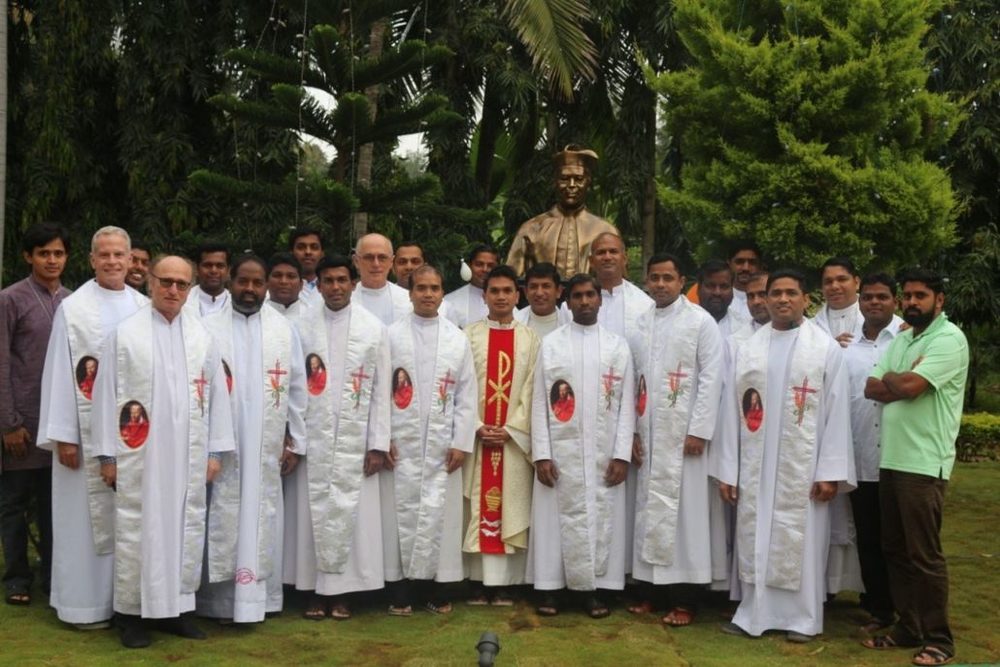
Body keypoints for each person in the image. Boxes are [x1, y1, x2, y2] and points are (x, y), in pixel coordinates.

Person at [89, 255, 236, 648]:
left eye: (181, 284)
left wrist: (215, 452)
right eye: (166, 281)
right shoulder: (125, 334)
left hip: (188, 456)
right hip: (141, 456)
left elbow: (218, 396)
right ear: (151, 281)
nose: (173, 290)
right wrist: (107, 456)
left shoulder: (203, 337)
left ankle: (177, 610)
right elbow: (104, 397)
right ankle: (131, 615)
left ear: (189, 289)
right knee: (139, 529)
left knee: (183, 530)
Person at [713, 269, 853, 642]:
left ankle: (803, 619)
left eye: (791, 292)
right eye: (775, 293)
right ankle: (753, 613)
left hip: (802, 469)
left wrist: (830, 471)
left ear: (805, 299)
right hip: (756, 466)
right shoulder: (749, 348)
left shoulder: (823, 348)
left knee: (800, 541)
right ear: (765, 298)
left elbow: (838, 413)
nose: (782, 299)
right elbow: (731, 411)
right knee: (755, 536)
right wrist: (728, 470)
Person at [37, 225, 149, 629]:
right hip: (82, 441)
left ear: (132, 258)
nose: (113, 262)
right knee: (82, 522)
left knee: (129, 521)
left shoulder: (142, 306)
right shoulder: (74, 307)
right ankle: (83, 605)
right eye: (105, 255)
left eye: (121, 254)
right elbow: (59, 374)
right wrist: (65, 434)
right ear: (91, 260)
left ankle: (127, 604)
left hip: (132, 438)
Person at [863, 268, 969, 667]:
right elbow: (871, 388)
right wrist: (900, 377)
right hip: (891, 459)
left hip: (924, 463)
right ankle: (908, 628)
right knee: (895, 549)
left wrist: (898, 380)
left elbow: (906, 388)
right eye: (906, 295)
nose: (911, 302)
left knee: (924, 554)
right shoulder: (905, 338)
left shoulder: (949, 339)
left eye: (920, 295)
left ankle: (940, 639)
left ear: (939, 300)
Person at [196, 255, 307, 624]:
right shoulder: (207, 327)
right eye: (242, 281)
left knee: (262, 513)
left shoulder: (282, 329)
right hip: (223, 445)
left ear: (265, 287)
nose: (249, 289)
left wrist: (294, 440)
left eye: (257, 283)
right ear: (230, 281)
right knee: (221, 514)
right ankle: (217, 603)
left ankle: (259, 599)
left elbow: (295, 389)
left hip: (266, 443)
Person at [286, 255, 390, 620]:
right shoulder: (300, 324)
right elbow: (292, 385)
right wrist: (293, 438)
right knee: (310, 514)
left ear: (353, 281)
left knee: (352, 515)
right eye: (328, 280)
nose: (335, 287)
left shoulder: (373, 327)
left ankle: (344, 592)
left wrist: (378, 442)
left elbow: (380, 390)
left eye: (341, 280)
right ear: (319, 284)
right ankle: (314, 592)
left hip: (354, 438)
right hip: (312, 437)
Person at [527, 273, 636, 618]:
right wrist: (541, 452)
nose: (585, 302)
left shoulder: (618, 347)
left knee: (599, 518)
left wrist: (621, 454)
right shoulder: (553, 344)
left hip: (603, 454)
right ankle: (551, 589)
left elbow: (627, 405)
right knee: (555, 520)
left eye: (590, 295)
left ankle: (594, 591)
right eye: (578, 296)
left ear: (600, 300)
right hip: (561, 453)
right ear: (567, 302)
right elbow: (539, 404)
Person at [629, 253, 724, 627]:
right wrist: (633, 434)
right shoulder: (640, 324)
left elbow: (712, 377)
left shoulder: (700, 322)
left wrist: (699, 430)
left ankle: (686, 599)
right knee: (651, 514)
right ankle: (652, 591)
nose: (661, 284)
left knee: (685, 519)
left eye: (668, 278)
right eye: (655, 278)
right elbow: (634, 384)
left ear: (681, 280)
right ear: (647, 281)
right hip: (650, 437)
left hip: (685, 439)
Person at [384, 265, 477, 615]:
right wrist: (383, 438)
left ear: (442, 292)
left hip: (443, 446)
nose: (427, 294)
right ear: (409, 293)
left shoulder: (457, 338)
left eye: (434, 288)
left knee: (442, 514)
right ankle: (402, 590)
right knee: (401, 514)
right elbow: (382, 391)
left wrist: (461, 441)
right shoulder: (391, 336)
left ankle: (438, 588)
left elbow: (468, 394)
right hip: (402, 444)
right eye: (420, 287)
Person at [0, 223, 71, 606]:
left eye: (58, 253)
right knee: (14, 503)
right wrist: (8, 423)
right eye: (44, 253)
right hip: (22, 423)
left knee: (53, 503)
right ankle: (16, 577)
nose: (52, 260)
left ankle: (51, 575)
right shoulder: (10, 300)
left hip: (59, 425)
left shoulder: (74, 302)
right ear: (28, 256)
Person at [463, 266, 541, 605]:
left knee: (511, 504)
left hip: (512, 439)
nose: (501, 296)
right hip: (478, 435)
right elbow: (462, 388)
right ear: (484, 295)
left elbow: (531, 390)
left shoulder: (530, 339)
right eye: (494, 290)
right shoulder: (468, 336)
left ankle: (507, 582)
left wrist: (510, 429)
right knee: (477, 507)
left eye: (507, 290)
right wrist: (477, 424)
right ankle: (477, 582)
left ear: (517, 294)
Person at [843, 273, 904, 634]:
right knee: (868, 538)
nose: (874, 303)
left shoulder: (907, 339)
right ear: (860, 301)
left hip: (900, 458)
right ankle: (880, 609)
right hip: (863, 456)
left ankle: (909, 608)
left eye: (882, 297)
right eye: (868, 298)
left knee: (901, 541)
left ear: (894, 300)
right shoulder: (849, 348)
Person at [506, 145, 618, 279]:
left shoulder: (606, 231)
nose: (571, 185)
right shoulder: (531, 229)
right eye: (564, 179)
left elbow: (619, 284)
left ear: (588, 182)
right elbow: (510, 281)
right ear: (555, 182)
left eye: (578, 179)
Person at [687, 241, 762, 318]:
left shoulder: (769, 295)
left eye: (752, 262)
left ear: (760, 266)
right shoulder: (697, 290)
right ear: (729, 263)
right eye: (739, 262)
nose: (746, 268)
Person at [353, 233, 412, 325]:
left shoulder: (408, 300)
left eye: (382, 257)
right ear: (356, 261)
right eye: (369, 257)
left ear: (391, 262)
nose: (376, 264)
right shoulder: (345, 299)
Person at [444, 244, 498, 329]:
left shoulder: (506, 302)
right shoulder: (450, 301)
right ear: (469, 266)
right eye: (479, 264)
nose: (485, 269)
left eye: (490, 266)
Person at [813, 256, 863, 347]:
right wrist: (831, 349)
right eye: (828, 282)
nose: (834, 286)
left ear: (857, 283)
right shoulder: (810, 327)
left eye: (842, 279)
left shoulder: (883, 320)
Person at [513, 262, 571, 337]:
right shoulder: (513, 323)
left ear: (558, 291)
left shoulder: (569, 322)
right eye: (533, 287)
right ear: (526, 292)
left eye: (546, 286)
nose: (539, 293)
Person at [185, 241, 231, 316]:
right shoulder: (183, 301)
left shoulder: (237, 305)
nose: (214, 271)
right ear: (197, 269)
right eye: (207, 265)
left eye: (220, 266)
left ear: (228, 271)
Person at [265, 252, 310, 323]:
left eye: (291, 276)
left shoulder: (313, 316)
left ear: (301, 285)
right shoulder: (257, 315)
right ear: (266, 282)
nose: (284, 281)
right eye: (277, 275)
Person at [730, 272, 770, 345]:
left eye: (762, 294)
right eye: (750, 296)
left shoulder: (795, 334)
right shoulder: (734, 342)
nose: (756, 302)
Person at [289, 228, 325, 306]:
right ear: (291, 253)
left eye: (314, 247)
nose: (308, 252)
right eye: (301, 247)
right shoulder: (280, 287)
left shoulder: (334, 287)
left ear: (322, 253)